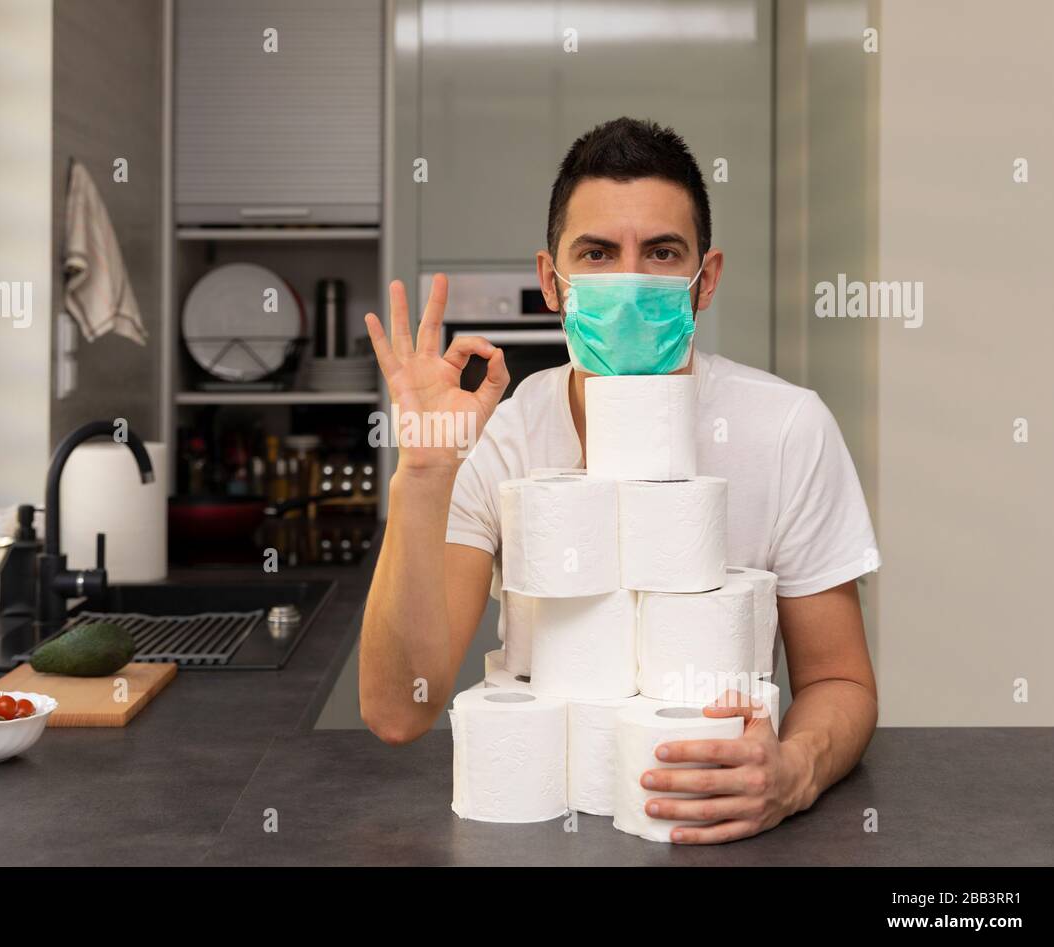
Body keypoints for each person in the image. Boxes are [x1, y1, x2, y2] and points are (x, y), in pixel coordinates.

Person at [358, 117, 879, 844]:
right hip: (538, 824)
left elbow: (838, 682)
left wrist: (794, 772)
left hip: (716, 827)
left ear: (707, 280)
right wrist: (423, 472)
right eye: (597, 254)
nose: (629, 284)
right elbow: (398, 711)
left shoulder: (789, 430)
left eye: (662, 253)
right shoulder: (499, 439)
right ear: (551, 281)